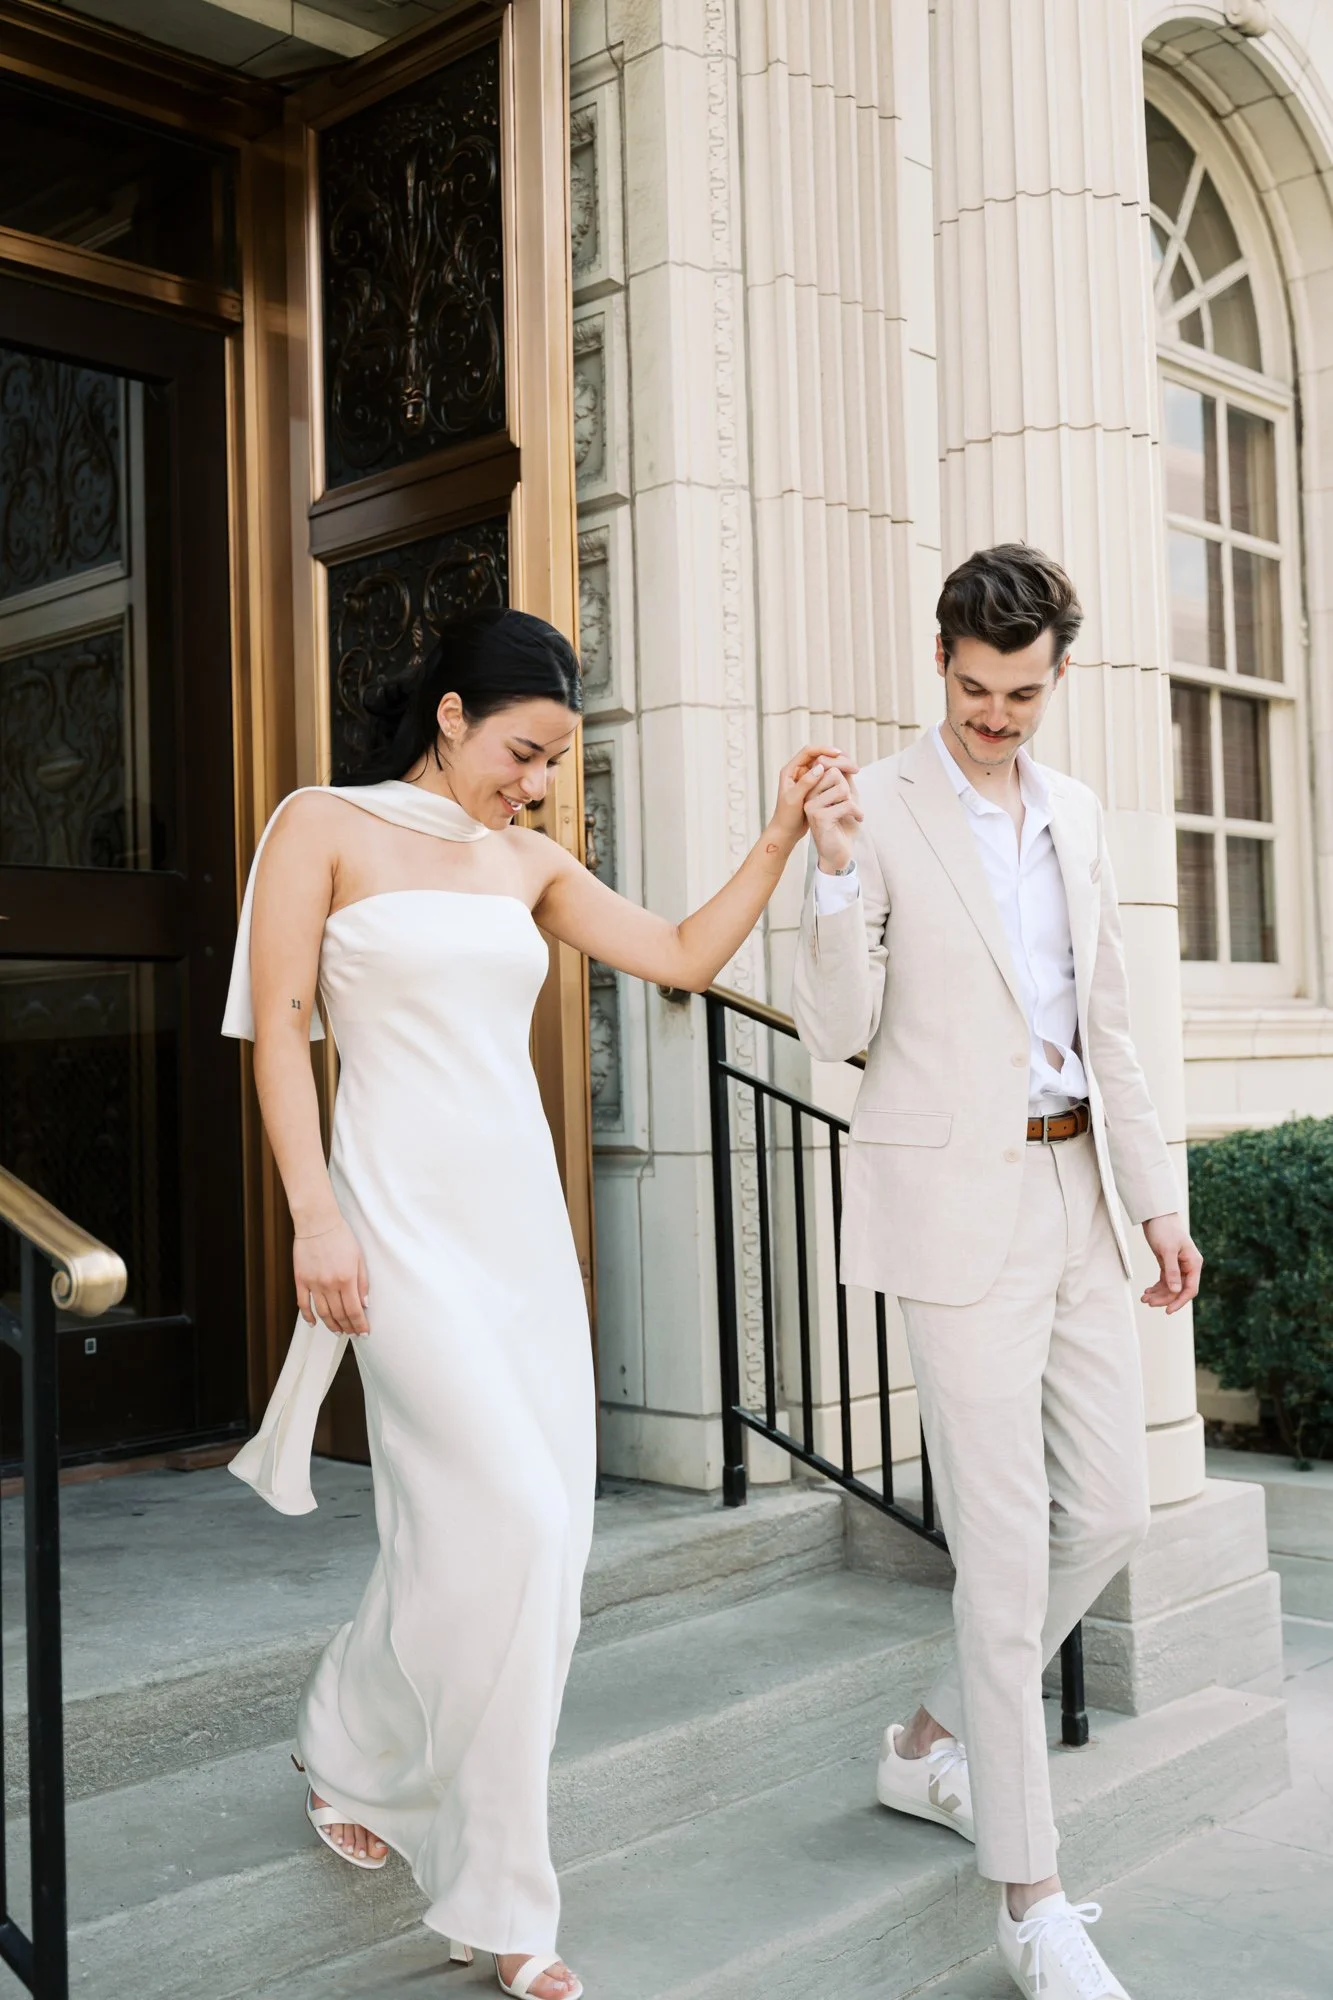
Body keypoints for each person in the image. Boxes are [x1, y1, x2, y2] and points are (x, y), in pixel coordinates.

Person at [222, 606, 854, 2000]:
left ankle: (349, 1731)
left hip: (519, 1236)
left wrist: (776, 839)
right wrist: (310, 1215)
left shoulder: (528, 862)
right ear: (451, 715)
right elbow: (277, 1026)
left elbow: (684, 957)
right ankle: (507, 1911)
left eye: (558, 759)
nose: (538, 780)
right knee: (500, 1514)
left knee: (536, 1551)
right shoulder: (318, 825)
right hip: (390, 1228)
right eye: (524, 749)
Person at [791, 546, 1202, 2000]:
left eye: (1021, 695)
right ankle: (1032, 1899)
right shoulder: (882, 808)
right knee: (1008, 1550)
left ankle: (931, 1741)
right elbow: (837, 1029)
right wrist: (836, 876)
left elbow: (1113, 1020)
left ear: (1056, 677)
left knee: (1114, 1504)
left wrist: (1155, 1200)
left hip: (1080, 1190)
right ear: (943, 664)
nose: (996, 718)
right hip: (953, 1215)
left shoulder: (1076, 814)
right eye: (974, 690)